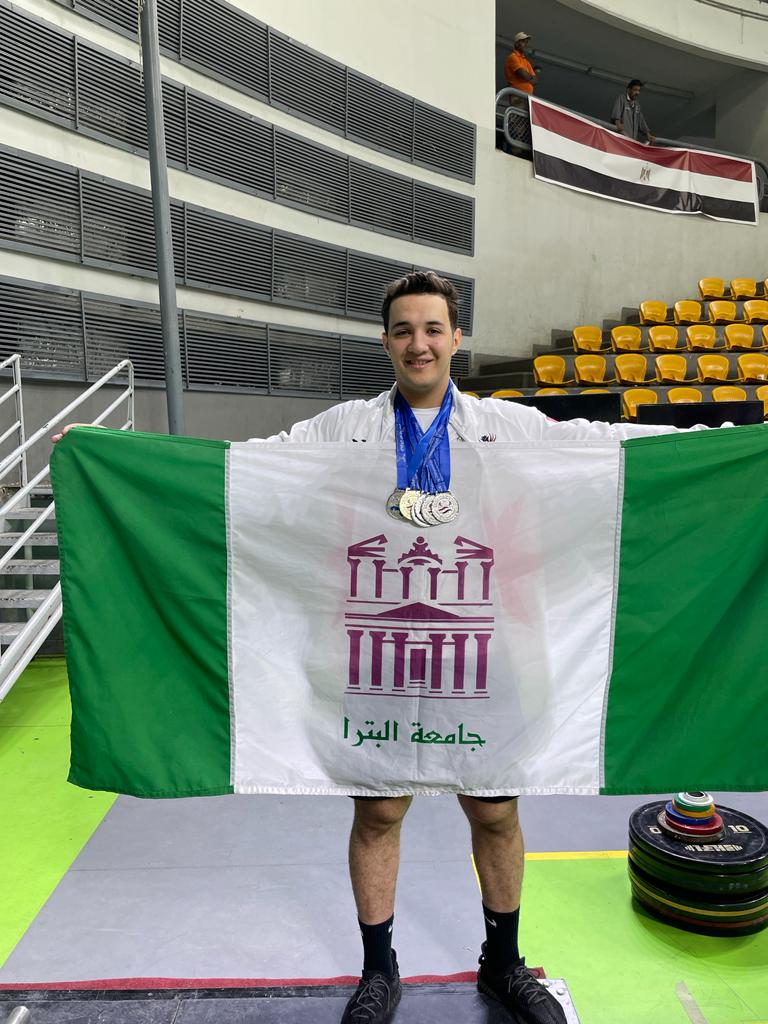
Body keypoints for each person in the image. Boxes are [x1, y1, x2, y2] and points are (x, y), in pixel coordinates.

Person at [52, 271, 699, 1024]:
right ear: (386, 340)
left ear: (456, 338)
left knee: (495, 812)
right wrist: (110, 453)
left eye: (432, 329)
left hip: (480, 646)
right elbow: (243, 469)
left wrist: (730, 442)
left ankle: (503, 962)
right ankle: (378, 969)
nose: (418, 344)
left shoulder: (505, 427)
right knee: (381, 812)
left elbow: (609, 449)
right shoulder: (346, 429)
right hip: (377, 650)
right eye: (403, 330)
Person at [611, 79, 656, 144]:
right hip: (620, 140)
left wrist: (648, 134)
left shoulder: (637, 105)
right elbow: (616, 114)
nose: (637, 93)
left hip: (631, 142)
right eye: (635, 90)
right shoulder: (622, 98)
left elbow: (641, 121)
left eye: (638, 90)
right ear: (628, 90)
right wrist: (618, 123)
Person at [504, 32, 539, 98]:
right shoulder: (513, 57)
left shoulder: (526, 61)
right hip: (517, 95)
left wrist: (527, 76)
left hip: (527, 96)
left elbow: (535, 80)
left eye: (526, 42)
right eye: (523, 42)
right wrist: (529, 77)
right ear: (517, 44)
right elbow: (522, 74)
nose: (526, 44)